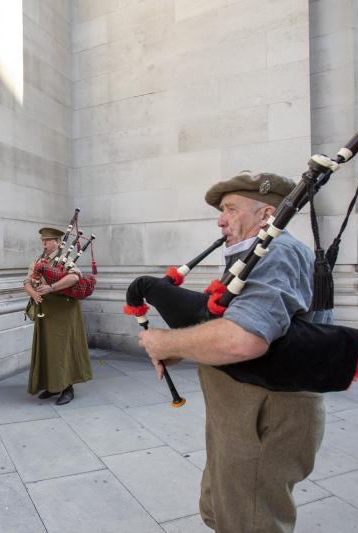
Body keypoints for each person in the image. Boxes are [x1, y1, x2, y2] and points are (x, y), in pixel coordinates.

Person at [138, 171, 327, 533]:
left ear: (267, 215)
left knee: (248, 524)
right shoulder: (254, 255)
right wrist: (186, 350)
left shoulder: (276, 252)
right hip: (242, 414)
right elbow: (245, 328)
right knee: (220, 511)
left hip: (264, 417)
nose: (221, 219)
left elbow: (245, 339)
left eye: (230, 208)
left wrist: (166, 342)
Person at [23, 227, 93, 405]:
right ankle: (52, 385)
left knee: (63, 349)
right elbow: (27, 281)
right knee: (47, 349)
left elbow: (75, 278)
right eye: (43, 241)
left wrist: (52, 287)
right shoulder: (39, 260)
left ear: (57, 242)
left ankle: (67, 388)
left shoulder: (65, 259)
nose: (44, 244)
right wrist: (33, 293)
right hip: (45, 310)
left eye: (47, 241)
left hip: (64, 310)